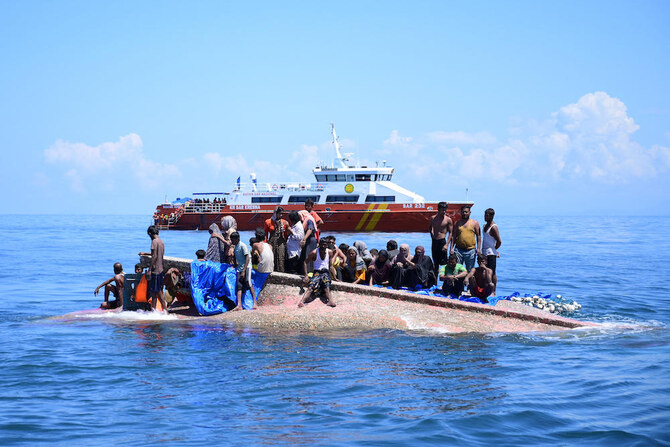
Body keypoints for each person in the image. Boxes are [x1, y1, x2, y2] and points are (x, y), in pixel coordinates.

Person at [298, 237, 336, 308]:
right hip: (317, 272)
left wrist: (334, 277)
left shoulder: (330, 252)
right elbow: (305, 262)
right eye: (322, 245)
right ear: (319, 244)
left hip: (325, 272)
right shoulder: (314, 252)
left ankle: (330, 301)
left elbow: (331, 266)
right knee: (311, 286)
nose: (323, 246)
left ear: (327, 245)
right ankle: (302, 301)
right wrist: (306, 275)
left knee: (326, 286)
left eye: (325, 245)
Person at [138, 226, 167, 311]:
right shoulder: (161, 242)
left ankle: (165, 310)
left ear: (150, 233)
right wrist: (145, 253)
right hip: (161, 268)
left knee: (157, 291)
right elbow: (157, 253)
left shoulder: (154, 242)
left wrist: (150, 269)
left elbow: (154, 256)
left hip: (156, 270)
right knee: (154, 291)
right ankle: (153, 309)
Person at [231, 231, 257, 310]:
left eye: (233, 240)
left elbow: (247, 258)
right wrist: (235, 264)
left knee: (248, 283)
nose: (232, 241)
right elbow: (236, 257)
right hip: (239, 268)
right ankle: (239, 305)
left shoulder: (243, 246)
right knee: (239, 286)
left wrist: (244, 270)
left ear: (237, 239)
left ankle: (255, 302)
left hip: (247, 267)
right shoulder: (235, 247)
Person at [450, 205, 481, 273]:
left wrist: (478, 248)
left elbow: (478, 236)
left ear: (470, 212)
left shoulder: (475, 223)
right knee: (457, 270)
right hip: (459, 250)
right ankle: (459, 283)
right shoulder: (457, 223)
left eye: (466, 212)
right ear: (461, 212)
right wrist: (451, 248)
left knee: (470, 271)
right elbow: (454, 236)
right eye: (463, 212)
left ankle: (469, 283)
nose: (465, 213)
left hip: (471, 251)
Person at [429, 201, 453, 279]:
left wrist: (447, 245)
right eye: (442, 210)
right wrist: (432, 235)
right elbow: (430, 228)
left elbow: (451, 233)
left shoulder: (448, 220)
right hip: (434, 241)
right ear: (438, 209)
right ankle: (435, 282)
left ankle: (444, 282)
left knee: (444, 264)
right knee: (435, 263)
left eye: (445, 210)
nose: (444, 211)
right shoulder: (433, 218)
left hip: (442, 241)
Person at [482, 208, 502, 294]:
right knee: (484, 271)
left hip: (491, 253)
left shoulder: (493, 228)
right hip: (484, 252)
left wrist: (494, 250)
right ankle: (486, 288)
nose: (485, 217)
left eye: (487, 215)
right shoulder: (484, 226)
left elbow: (499, 241)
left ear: (492, 216)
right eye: (485, 215)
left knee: (492, 272)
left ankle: (494, 290)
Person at [264, 206, 289, 272]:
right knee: (272, 258)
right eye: (279, 213)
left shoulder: (284, 222)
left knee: (281, 258)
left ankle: (282, 273)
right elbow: (265, 235)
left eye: (282, 214)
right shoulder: (268, 222)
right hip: (271, 242)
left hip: (281, 243)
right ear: (275, 213)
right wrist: (265, 244)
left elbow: (286, 234)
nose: (281, 215)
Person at [286, 210, 304, 275]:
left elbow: (300, 237)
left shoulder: (299, 226)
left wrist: (291, 231)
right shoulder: (295, 225)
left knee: (293, 268)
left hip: (295, 250)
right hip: (291, 249)